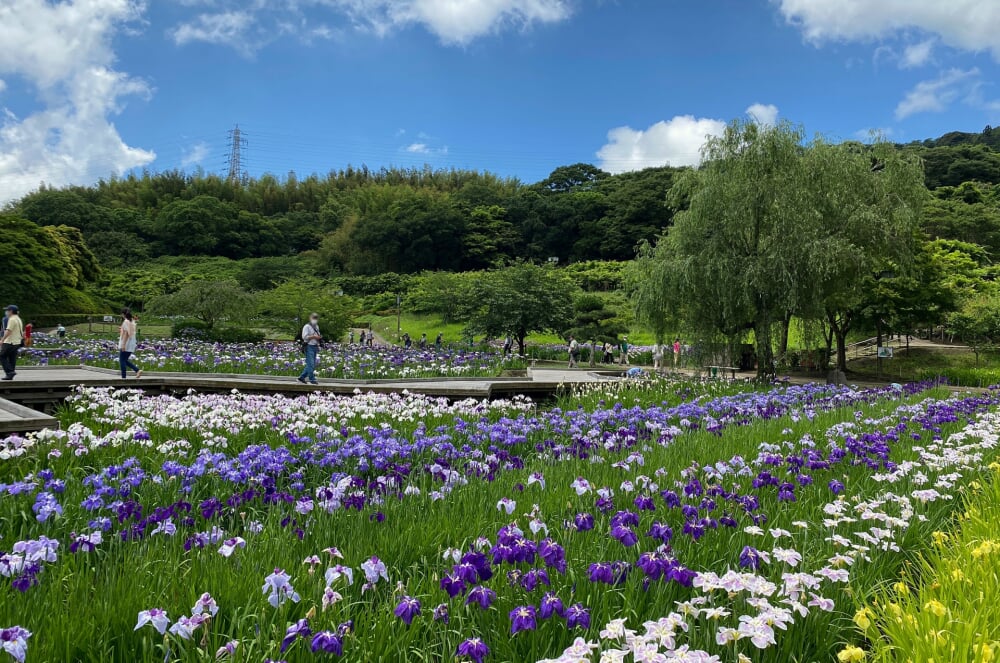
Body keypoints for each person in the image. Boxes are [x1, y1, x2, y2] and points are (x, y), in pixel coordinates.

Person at [297, 313, 322, 385]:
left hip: (315, 346)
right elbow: (304, 337)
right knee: (311, 364)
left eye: (316, 318)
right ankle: (312, 379)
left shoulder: (317, 326)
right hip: (308, 346)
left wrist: (319, 339)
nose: (315, 319)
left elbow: (318, 335)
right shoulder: (307, 326)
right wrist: (314, 337)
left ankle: (301, 377)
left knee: (312, 364)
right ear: (310, 318)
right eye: (314, 318)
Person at [117, 308, 143, 379]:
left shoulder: (126, 321)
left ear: (123, 314)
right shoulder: (132, 321)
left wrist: (123, 344)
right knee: (124, 360)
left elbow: (126, 333)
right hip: (131, 342)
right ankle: (137, 370)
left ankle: (123, 377)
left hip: (127, 342)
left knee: (122, 360)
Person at [0, 305, 24, 380]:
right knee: (12, 358)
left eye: (7, 310)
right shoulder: (18, 319)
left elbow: (8, 330)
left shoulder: (12, 319)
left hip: (10, 341)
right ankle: (10, 374)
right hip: (17, 341)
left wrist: (2, 339)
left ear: (11, 311)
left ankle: (10, 372)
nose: (6, 312)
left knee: (2, 356)